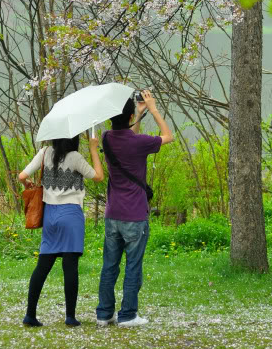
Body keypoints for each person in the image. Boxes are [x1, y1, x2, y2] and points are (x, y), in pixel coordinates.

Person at [96, 89, 173, 328]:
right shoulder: (140, 143)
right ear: (130, 118)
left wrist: (137, 114)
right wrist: (152, 109)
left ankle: (104, 314)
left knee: (109, 265)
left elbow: (127, 136)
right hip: (135, 215)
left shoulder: (107, 138)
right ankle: (128, 315)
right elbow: (168, 136)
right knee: (132, 266)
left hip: (113, 215)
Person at [18, 134, 104, 327]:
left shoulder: (44, 153)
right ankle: (70, 317)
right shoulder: (75, 157)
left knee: (43, 266)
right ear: (73, 139)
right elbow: (98, 176)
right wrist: (93, 149)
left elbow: (22, 176)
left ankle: (30, 315)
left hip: (50, 215)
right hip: (71, 214)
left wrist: (28, 184)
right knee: (70, 266)